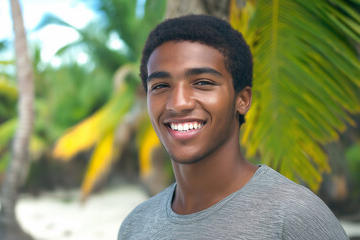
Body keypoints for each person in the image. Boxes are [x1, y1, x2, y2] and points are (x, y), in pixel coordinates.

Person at [118, 15, 348, 240]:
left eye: (202, 83)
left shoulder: (293, 216)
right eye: (160, 85)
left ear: (242, 100)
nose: (178, 103)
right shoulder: (136, 225)